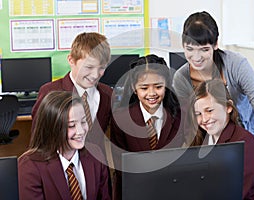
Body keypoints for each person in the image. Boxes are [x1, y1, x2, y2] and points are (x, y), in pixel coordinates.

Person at [172, 11, 254, 192]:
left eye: (204, 49)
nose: (196, 57)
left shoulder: (236, 65)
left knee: (253, 189)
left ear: (215, 45)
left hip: (250, 139)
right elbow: (188, 123)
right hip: (212, 143)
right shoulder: (181, 78)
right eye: (189, 50)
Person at [31, 32, 113, 164]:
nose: (95, 75)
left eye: (102, 68)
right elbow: (39, 141)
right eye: (89, 67)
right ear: (71, 61)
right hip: (58, 168)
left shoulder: (107, 94)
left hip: (95, 169)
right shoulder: (50, 92)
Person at [110, 54, 182, 200]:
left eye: (158, 86)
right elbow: (120, 170)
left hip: (172, 190)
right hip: (137, 192)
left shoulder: (180, 115)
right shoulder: (121, 119)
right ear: (134, 88)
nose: (151, 93)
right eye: (144, 87)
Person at [18, 91, 111, 200]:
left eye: (83, 122)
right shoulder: (30, 166)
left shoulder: (95, 154)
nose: (80, 131)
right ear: (52, 127)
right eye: (72, 125)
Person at [187, 79, 254, 199]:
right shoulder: (200, 137)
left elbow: (234, 193)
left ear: (228, 107)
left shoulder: (245, 142)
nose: (204, 119)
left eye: (209, 111)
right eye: (198, 114)